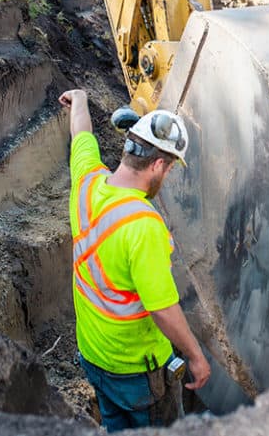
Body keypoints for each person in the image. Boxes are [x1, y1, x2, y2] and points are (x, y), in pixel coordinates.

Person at [58, 89, 210, 432]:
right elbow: (162, 307)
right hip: (137, 369)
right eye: (169, 169)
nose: (166, 176)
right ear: (157, 164)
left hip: (93, 354)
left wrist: (80, 100)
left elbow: (81, 135)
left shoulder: (86, 182)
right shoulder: (143, 225)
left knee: (115, 426)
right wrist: (196, 356)